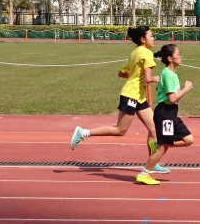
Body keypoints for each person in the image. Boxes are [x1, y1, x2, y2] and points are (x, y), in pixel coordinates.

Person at [70, 26, 166, 177]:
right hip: (131, 95)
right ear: (143, 39)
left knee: (154, 129)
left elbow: (121, 73)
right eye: (151, 36)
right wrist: (155, 79)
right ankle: (83, 132)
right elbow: (148, 79)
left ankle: (153, 163)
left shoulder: (135, 52)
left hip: (138, 96)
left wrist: (135, 78)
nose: (154, 38)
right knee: (120, 130)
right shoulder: (146, 53)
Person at [137, 44, 194, 185]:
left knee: (188, 140)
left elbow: (163, 90)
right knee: (163, 148)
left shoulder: (171, 73)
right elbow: (172, 99)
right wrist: (187, 89)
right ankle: (143, 174)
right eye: (178, 54)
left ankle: (160, 142)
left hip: (171, 113)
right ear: (170, 58)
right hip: (165, 113)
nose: (180, 56)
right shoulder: (168, 74)